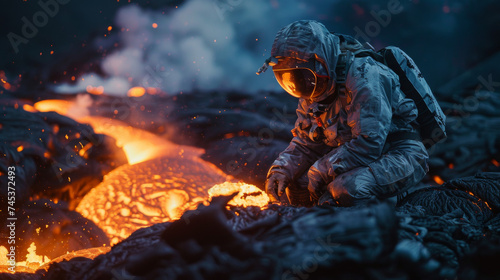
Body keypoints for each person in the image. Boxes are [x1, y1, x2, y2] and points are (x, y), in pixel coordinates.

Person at [259, 20, 430, 206]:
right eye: (290, 77)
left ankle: (388, 212)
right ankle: (317, 224)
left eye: (303, 76)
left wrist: (321, 170)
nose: (298, 85)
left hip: (399, 154)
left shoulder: (365, 76)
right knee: (296, 185)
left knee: (349, 188)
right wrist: (282, 169)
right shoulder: (313, 88)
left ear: (321, 60)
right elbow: (306, 142)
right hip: (356, 156)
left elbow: (369, 143)